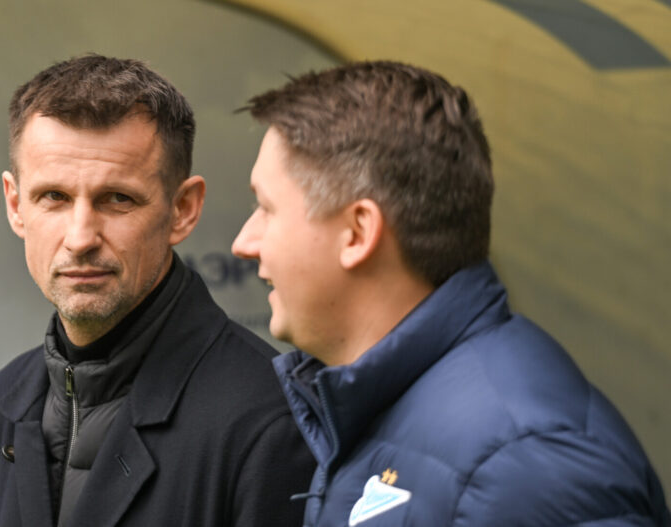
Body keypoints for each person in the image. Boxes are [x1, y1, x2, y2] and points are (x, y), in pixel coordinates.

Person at [232, 61, 670, 526]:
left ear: (357, 232)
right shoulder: (388, 409)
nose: (244, 242)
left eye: (266, 208)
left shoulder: (523, 463)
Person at [0, 54, 314, 527]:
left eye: (117, 199)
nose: (80, 237)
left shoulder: (267, 423)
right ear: (16, 205)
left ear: (183, 209)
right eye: (54, 197)